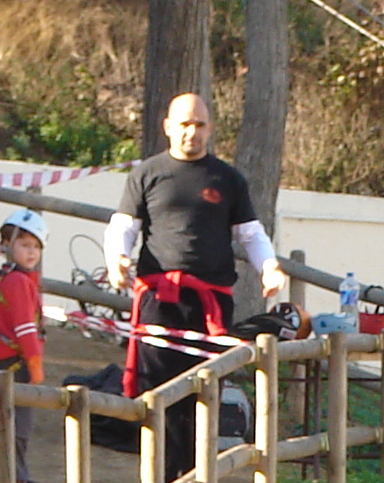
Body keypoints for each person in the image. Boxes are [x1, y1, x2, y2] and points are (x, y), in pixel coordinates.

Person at [107, 92, 287, 353]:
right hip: (158, 299)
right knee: (153, 388)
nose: (192, 131)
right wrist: (116, 259)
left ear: (210, 129)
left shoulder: (228, 178)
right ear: (168, 127)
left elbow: (250, 234)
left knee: (208, 385)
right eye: (185, 124)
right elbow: (123, 226)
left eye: (200, 125)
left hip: (212, 300)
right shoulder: (146, 174)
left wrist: (269, 267)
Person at [0, 208, 50, 483]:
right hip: (15, 361)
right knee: (18, 424)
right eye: (24, 245)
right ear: (9, 246)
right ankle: (16, 478)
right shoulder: (18, 282)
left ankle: (14, 475)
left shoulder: (13, 278)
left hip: (7, 358)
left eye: (36, 246)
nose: (31, 252)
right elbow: (25, 328)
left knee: (13, 421)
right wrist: (35, 364)